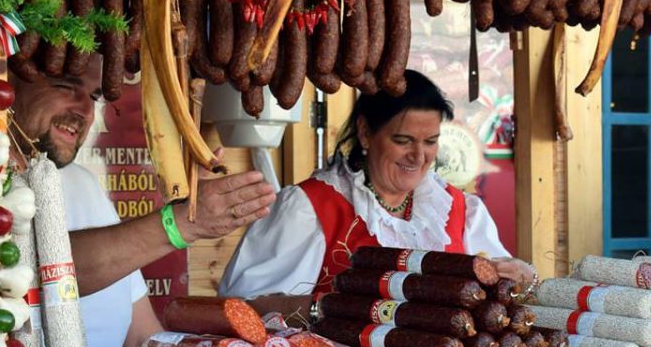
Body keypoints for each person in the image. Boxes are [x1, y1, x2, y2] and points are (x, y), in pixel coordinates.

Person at [9, 56, 276, 347]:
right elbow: (43, 269)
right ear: (9, 84)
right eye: (66, 86)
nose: (84, 110)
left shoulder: (84, 184)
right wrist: (180, 223)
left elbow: (141, 339)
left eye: (94, 97)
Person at [219, 70, 534, 312]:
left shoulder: (460, 211)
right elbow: (244, 308)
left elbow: (499, 298)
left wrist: (518, 278)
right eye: (403, 141)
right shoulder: (309, 209)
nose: (419, 156)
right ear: (366, 133)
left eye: (430, 141)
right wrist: (330, 311)